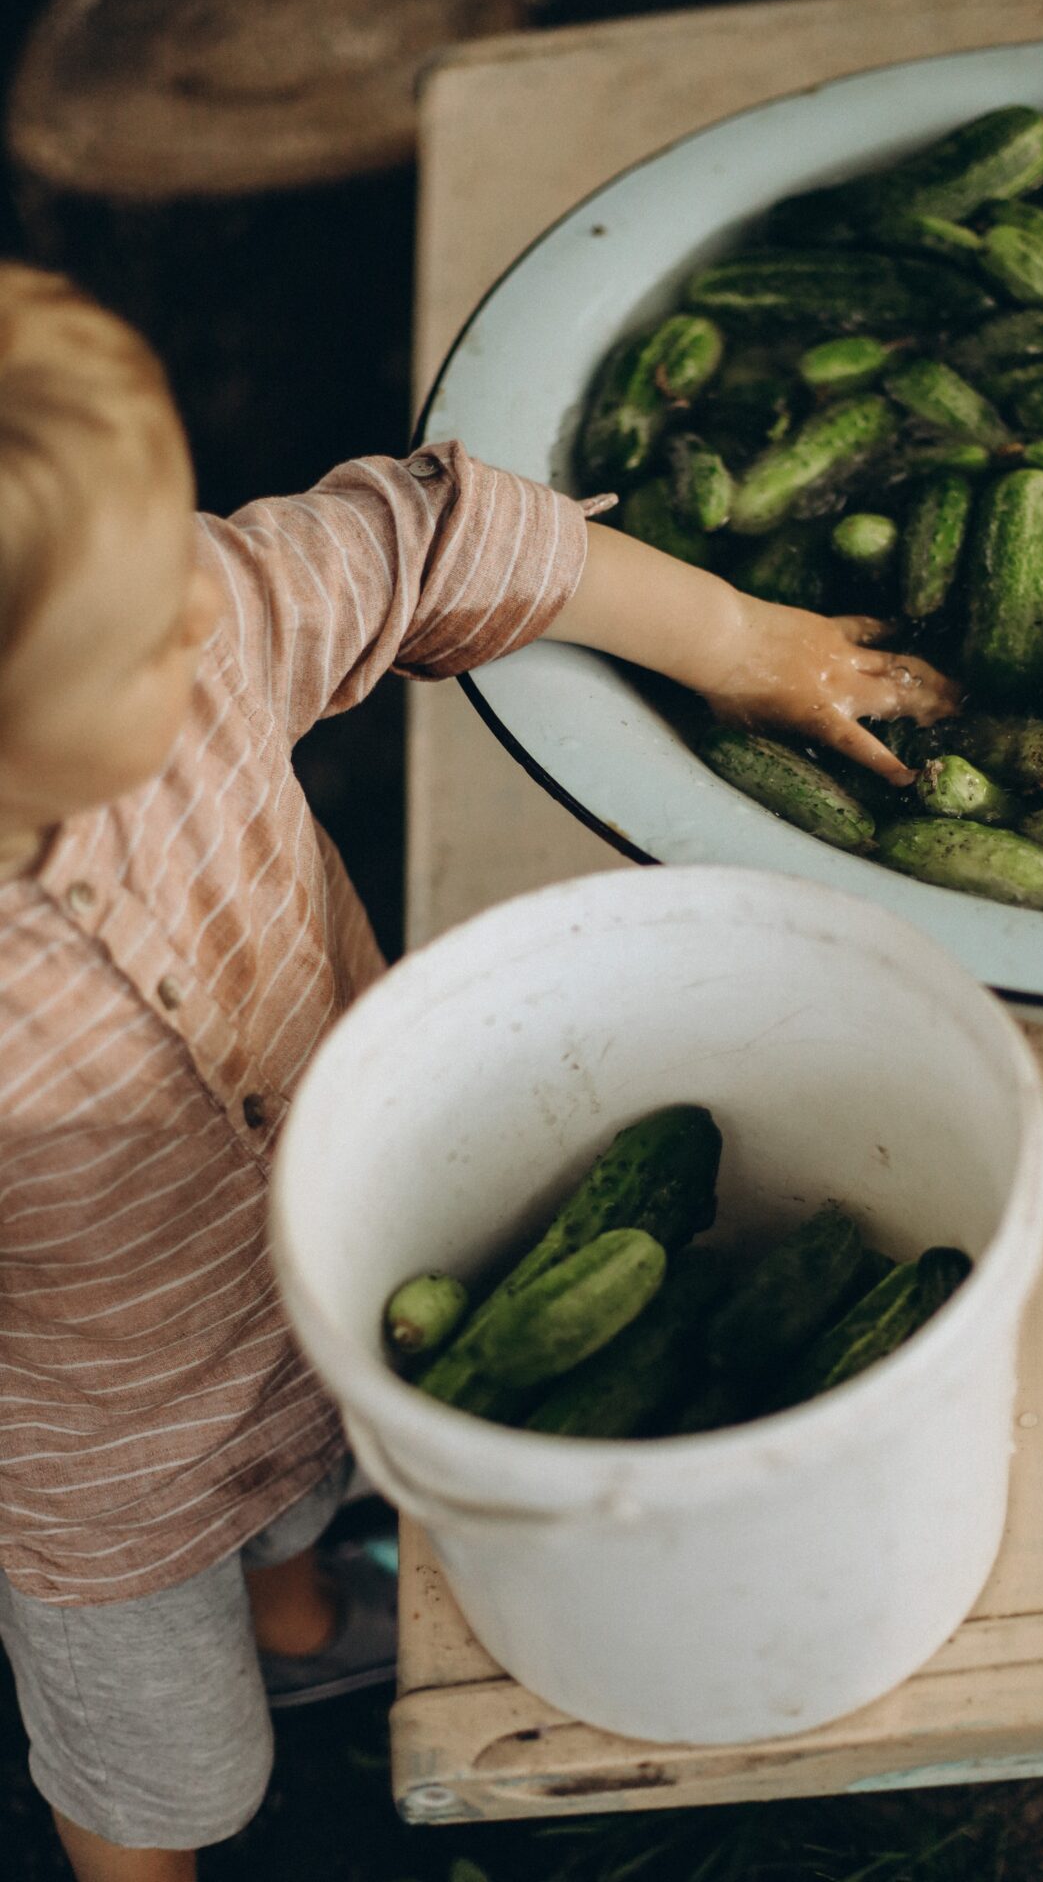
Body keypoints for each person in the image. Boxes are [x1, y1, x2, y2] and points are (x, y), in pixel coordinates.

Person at [0, 261, 956, 1882]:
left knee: (306, 1505)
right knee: (170, 1769)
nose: (197, 603)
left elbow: (427, 538)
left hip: (336, 1270)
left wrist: (738, 640)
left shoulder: (208, 620)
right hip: (95, 1452)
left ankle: (303, 1621)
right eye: (137, 635)